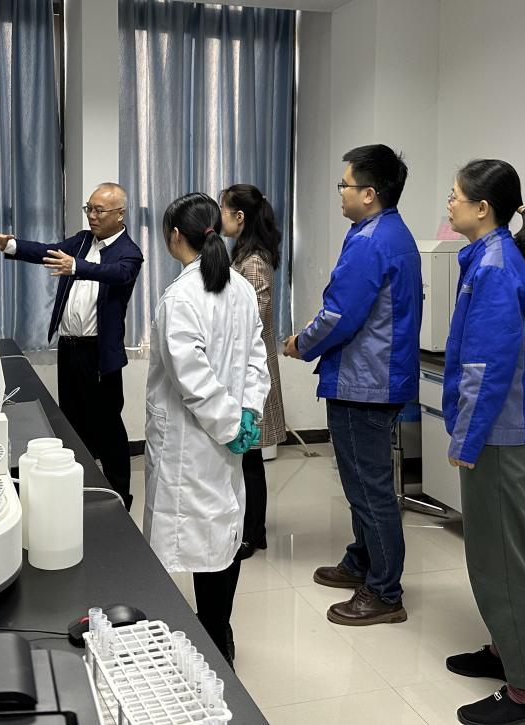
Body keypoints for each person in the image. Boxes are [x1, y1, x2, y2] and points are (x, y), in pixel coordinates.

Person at [283, 144, 421, 626]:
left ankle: (384, 592)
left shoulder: (370, 242)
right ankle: (362, 561)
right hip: (374, 376)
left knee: (369, 488)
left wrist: (301, 343)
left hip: (365, 382)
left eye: (345, 184)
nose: (340, 192)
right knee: (362, 483)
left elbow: (340, 315)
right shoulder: (388, 232)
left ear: (369, 193)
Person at [441, 159, 525, 725]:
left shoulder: (494, 267)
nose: (448, 204)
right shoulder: (490, 258)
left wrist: (465, 440)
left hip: (501, 440)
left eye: (455, 197)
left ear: (482, 208)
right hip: (504, 433)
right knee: (492, 555)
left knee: (504, 564)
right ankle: (504, 650)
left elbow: (485, 369)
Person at [143, 192, 270, 665]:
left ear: (175, 236)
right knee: (220, 538)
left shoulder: (180, 298)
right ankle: (218, 631)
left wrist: (236, 420)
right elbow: (257, 360)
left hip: (192, 442)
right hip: (223, 437)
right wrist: (246, 414)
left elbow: (192, 380)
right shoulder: (239, 287)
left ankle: (212, 641)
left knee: (201, 540)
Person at [0, 183, 143, 510]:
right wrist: (9, 245)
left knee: (108, 429)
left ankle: (119, 498)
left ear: (120, 214)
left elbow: (116, 274)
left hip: (99, 354)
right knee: (72, 423)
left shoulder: (129, 251)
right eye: (89, 208)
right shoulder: (82, 241)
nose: (92, 215)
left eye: (99, 210)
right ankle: (79, 490)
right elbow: (47, 251)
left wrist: (77, 267)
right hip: (70, 349)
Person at [220, 184, 287, 561]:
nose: (220, 217)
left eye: (224, 210)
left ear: (240, 217)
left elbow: (255, 319)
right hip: (245, 365)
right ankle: (250, 527)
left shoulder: (254, 262)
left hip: (252, 369)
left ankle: (254, 533)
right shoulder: (243, 255)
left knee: (250, 457)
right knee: (247, 455)